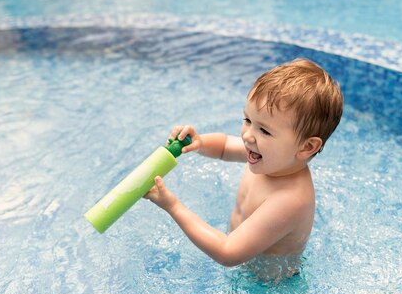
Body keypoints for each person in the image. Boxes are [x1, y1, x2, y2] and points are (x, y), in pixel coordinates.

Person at [145, 58, 343, 281]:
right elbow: (224, 147)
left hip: (270, 288)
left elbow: (228, 252)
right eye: (248, 119)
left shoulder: (290, 199)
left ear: (307, 147)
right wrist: (199, 142)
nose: (248, 135)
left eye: (265, 131)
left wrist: (172, 206)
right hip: (245, 262)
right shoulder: (269, 157)